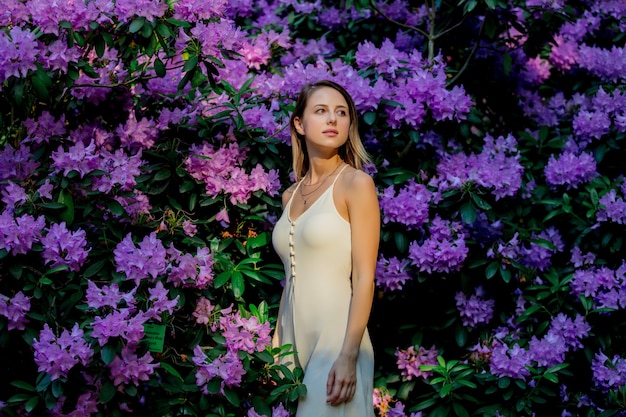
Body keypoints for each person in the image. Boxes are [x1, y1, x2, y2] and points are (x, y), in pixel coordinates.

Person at [272, 80, 380, 416]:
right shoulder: (290, 196)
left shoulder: (356, 184)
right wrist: (278, 347)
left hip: (338, 342)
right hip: (293, 344)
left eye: (341, 113)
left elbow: (365, 278)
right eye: (321, 111)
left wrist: (348, 355)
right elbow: (292, 277)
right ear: (299, 124)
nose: (333, 119)